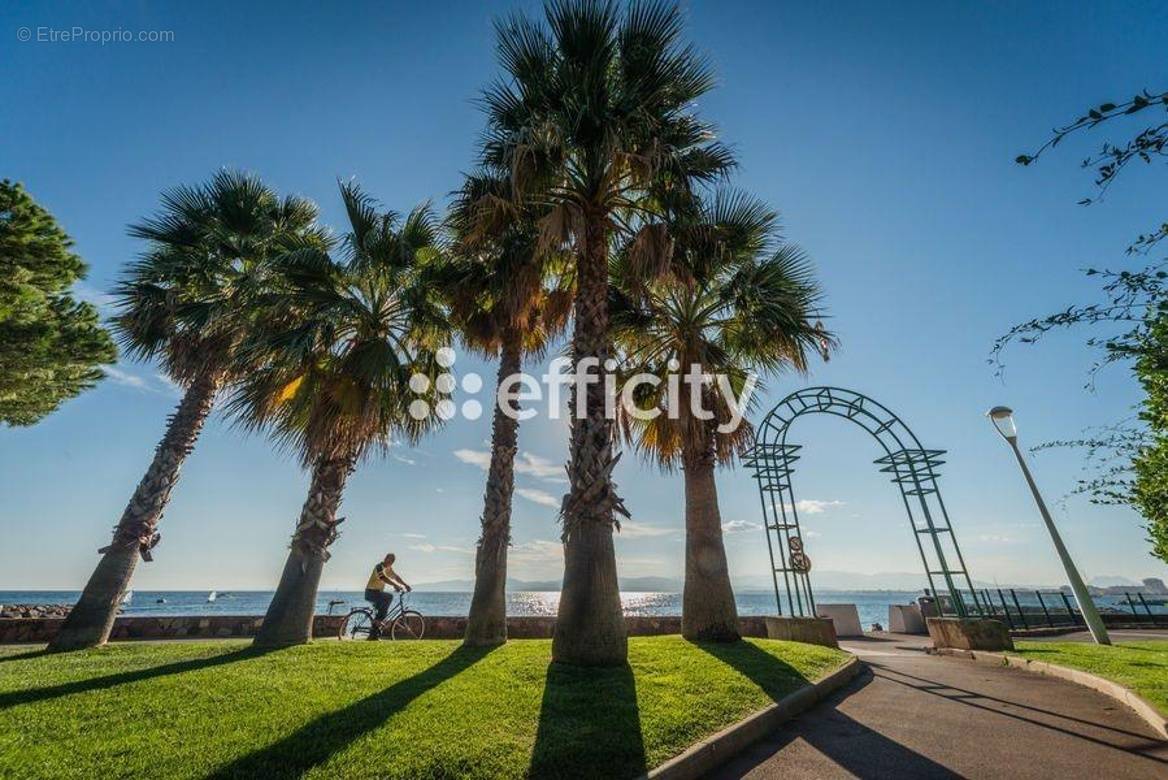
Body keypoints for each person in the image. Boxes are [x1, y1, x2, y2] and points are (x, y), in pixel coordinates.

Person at [365, 552, 411, 638]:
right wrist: (395, 585)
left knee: (380, 614)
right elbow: (383, 577)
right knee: (389, 597)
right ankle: (378, 622)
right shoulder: (379, 567)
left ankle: (373, 634)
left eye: (392, 561)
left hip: (377, 593)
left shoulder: (388, 568)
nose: (391, 562)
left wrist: (405, 585)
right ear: (385, 558)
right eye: (390, 560)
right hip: (371, 592)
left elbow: (396, 577)